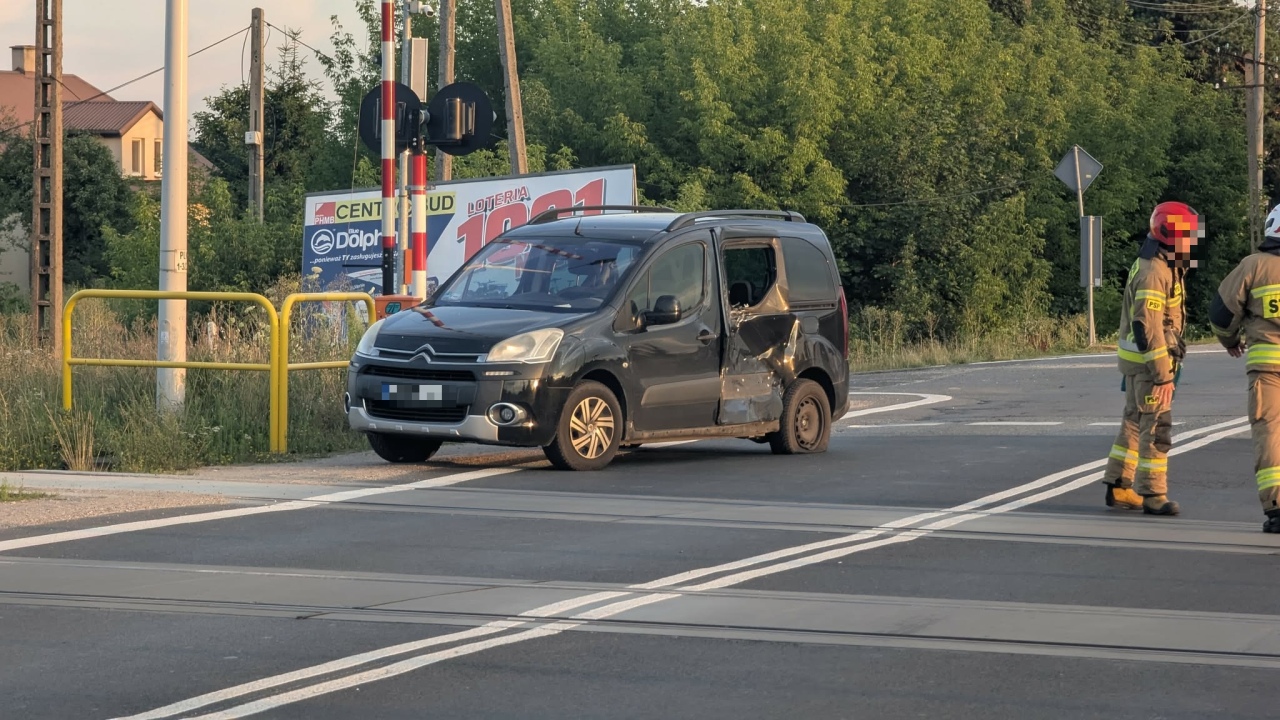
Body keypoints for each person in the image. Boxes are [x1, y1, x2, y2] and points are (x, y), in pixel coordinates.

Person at [1100, 201, 1200, 515]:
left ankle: (1119, 486)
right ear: (1170, 234)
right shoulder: (1154, 271)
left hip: (1139, 362)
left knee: (1133, 421)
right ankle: (1153, 494)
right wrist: (1163, 375)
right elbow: (1147, 326)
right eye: (1188, 234)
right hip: (1150, 365)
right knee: (1157, 427)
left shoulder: (1158, 262)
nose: (1192, 241)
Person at [1210, 203, 1280, 533]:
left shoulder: (1252, 266)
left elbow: (1221, 314)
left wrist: (1230, 341)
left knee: (1270, 435)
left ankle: (1277, 507)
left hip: (1268, 371)